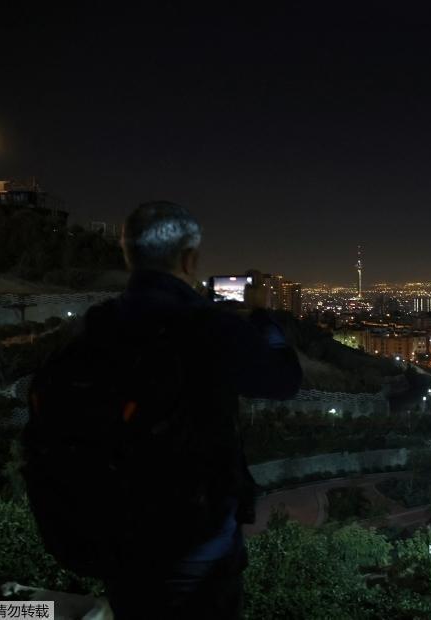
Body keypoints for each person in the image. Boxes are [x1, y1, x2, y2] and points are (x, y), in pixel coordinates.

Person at [97, 201, 301, 618]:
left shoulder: (97, 325)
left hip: (117, 535)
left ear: (128, 254)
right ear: (190, 259)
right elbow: (284, 381)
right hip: (197, 539)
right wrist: (261, 314)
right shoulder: (206, 328)